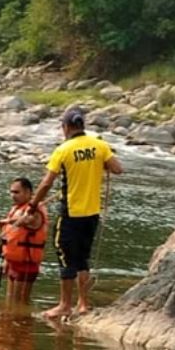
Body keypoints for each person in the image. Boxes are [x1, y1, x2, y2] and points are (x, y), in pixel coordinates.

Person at [28, 107, 123, 318]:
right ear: (82, 125)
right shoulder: (99, 145)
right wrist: (98, 163)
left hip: (71, 213)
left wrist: (33, 206)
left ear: (66, 127)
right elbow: (117, 169)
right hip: (92, 213)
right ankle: (83, 304)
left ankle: (64, 305)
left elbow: (46, 184)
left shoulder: (64, 149)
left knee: (65, 256)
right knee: (82, 258)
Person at [0, 177, 47, 303]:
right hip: (13, 262)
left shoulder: (35, 211)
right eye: (11, 192)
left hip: (26, 263)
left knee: (19, 303)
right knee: (9, 301)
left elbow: (27, 220)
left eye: (17, 192)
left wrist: (6, 221)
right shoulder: (18, 209)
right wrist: (6, 260)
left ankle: (22, 316)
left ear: (28, 192)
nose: (13, 195)